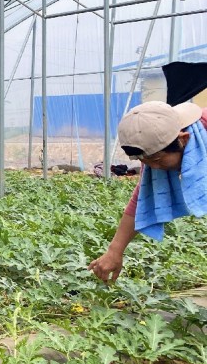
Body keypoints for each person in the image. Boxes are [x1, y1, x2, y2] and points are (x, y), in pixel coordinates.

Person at [89, 101, 207, 283]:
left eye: (157, 160)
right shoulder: (157, 148)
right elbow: (141, 198)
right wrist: (114, 251)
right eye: (145, 162)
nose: (153, 168)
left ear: (183, 140)